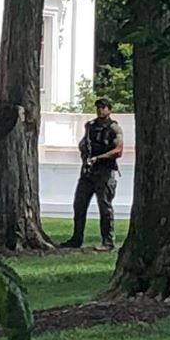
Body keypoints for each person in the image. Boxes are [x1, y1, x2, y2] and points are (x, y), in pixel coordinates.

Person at [60, 97, 124, 251]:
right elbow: (83, 144)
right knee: (79, 204)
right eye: (98, 107)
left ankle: (107, 242)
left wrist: (98, 158)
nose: (100, 110)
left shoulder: (114, 128)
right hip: (88, 172)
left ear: (109, 109)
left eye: (103, 107)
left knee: (104, 206)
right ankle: (76, 239)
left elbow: (118, 150)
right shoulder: (90, 126)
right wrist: (85, 155)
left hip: (105, 172)